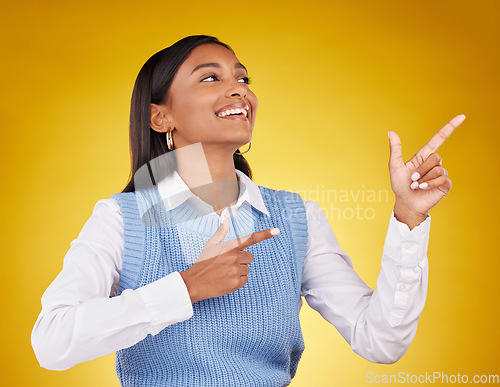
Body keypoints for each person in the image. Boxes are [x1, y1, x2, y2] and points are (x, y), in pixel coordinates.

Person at [31, 35, 465, 386]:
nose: (238, 88)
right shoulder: (122, 219)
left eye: (242, 77)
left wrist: (409, 217)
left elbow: (381, 341)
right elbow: (52, 342)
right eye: (209, 78)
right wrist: (186, 287)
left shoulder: (295, 218)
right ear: (161, 118)